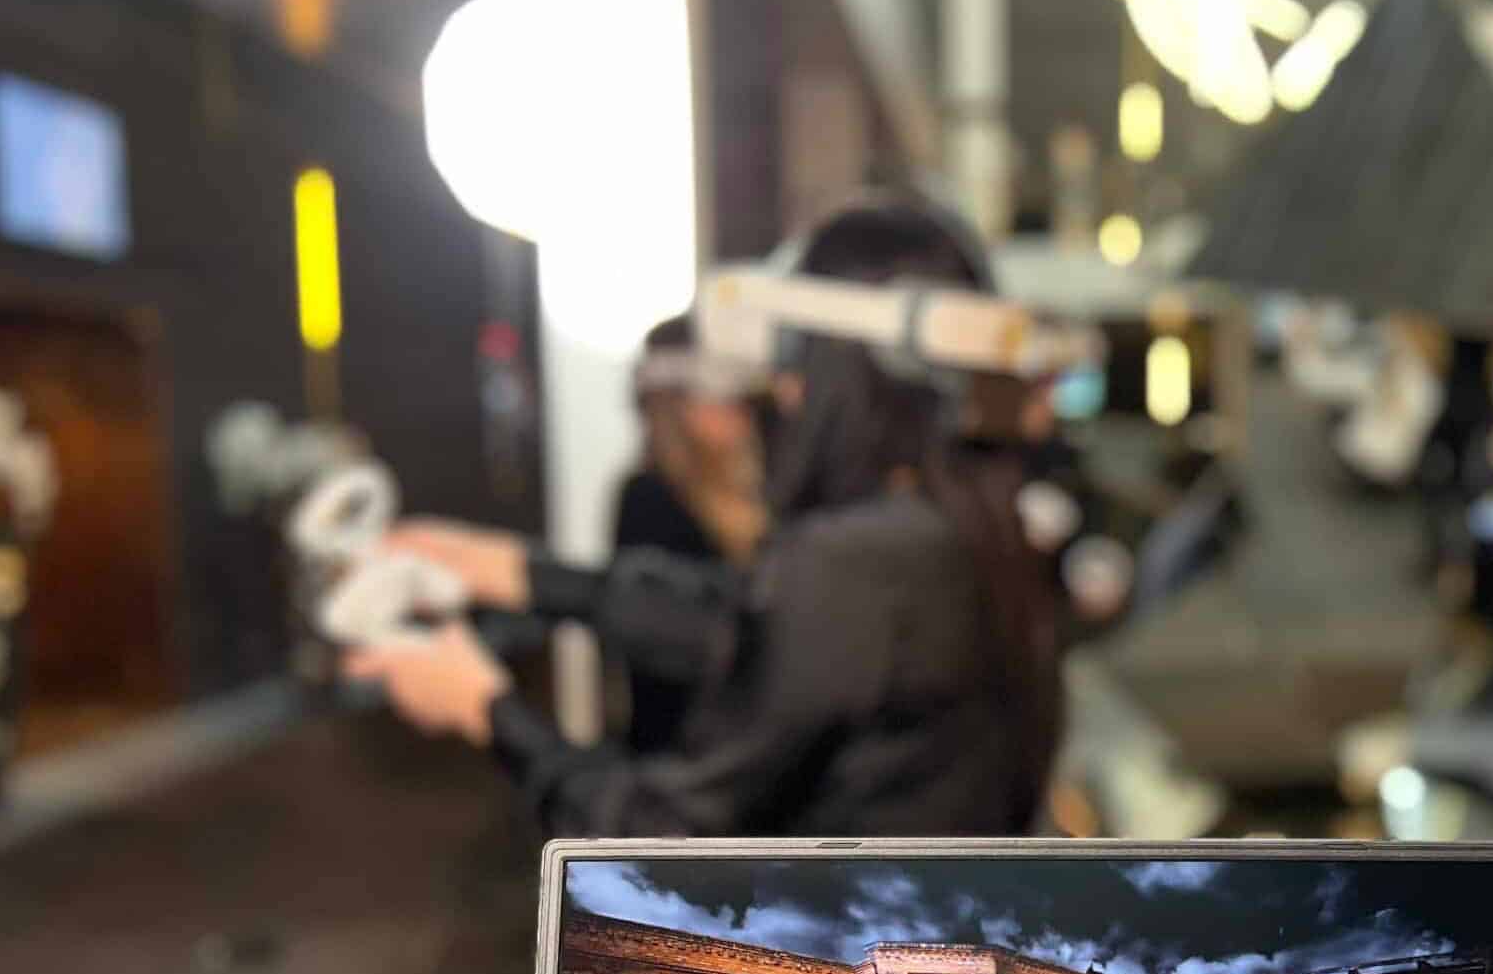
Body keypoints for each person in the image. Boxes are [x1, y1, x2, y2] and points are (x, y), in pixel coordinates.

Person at [347, 195, 1066, 838]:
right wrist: (505, 570)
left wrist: (481, 707)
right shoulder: (966, 529)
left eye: (792, 355)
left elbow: (659, 838)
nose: (780, 389)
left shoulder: (851, 563)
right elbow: (742, 628)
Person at [599, 313, 769, 753]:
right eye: (724, 395)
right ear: (677, 403)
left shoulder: (755, 494)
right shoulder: (649, 499)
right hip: (687, 756)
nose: (743, 410)